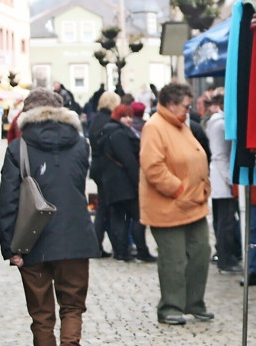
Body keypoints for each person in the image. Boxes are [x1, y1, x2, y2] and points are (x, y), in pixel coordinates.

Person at [0, 88, 100, 346]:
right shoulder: (81, 144)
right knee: (72, 307)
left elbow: (9, 202)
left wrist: (10, 247)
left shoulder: (18, 148)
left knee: (42, 316)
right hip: (75, 238)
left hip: (33, 240)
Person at [139, 82, 213, 326]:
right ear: (171, 104)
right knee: (174, 259)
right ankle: (170, 306)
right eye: (185, 106)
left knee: (201, 252)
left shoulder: (181, 125)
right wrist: (179, 189)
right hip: (169, 206)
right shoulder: (155, 127)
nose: (188, 110)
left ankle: (194, 302)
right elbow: (154, 167)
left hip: (194, 203)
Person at [92, 104, 155, 262]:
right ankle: (140, 251)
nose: (129, 119)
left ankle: (121, 251)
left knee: (119, 217)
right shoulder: (119, 133)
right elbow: (129, 160)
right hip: (124, 182)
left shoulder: (107, 131)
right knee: (136, 217)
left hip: (112, 181)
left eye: (130, 116)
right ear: (118, 117)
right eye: (125, 116)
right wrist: (138, 181)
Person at [204, 90, 241, 273]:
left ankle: (225, 255)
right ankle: (225, 259)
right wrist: (231, 180)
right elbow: (219, 156)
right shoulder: (219, 125)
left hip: (221, 180)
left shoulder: (218, 123)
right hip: (222, 181)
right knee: (225, 222)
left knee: (223, 221)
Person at [87, 91, 121, 256]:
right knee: (104, 208)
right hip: (105, 168)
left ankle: (98, 244)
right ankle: (97, 245)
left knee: (104, 207)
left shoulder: (96, 119)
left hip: (97, 166)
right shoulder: (107, 121)